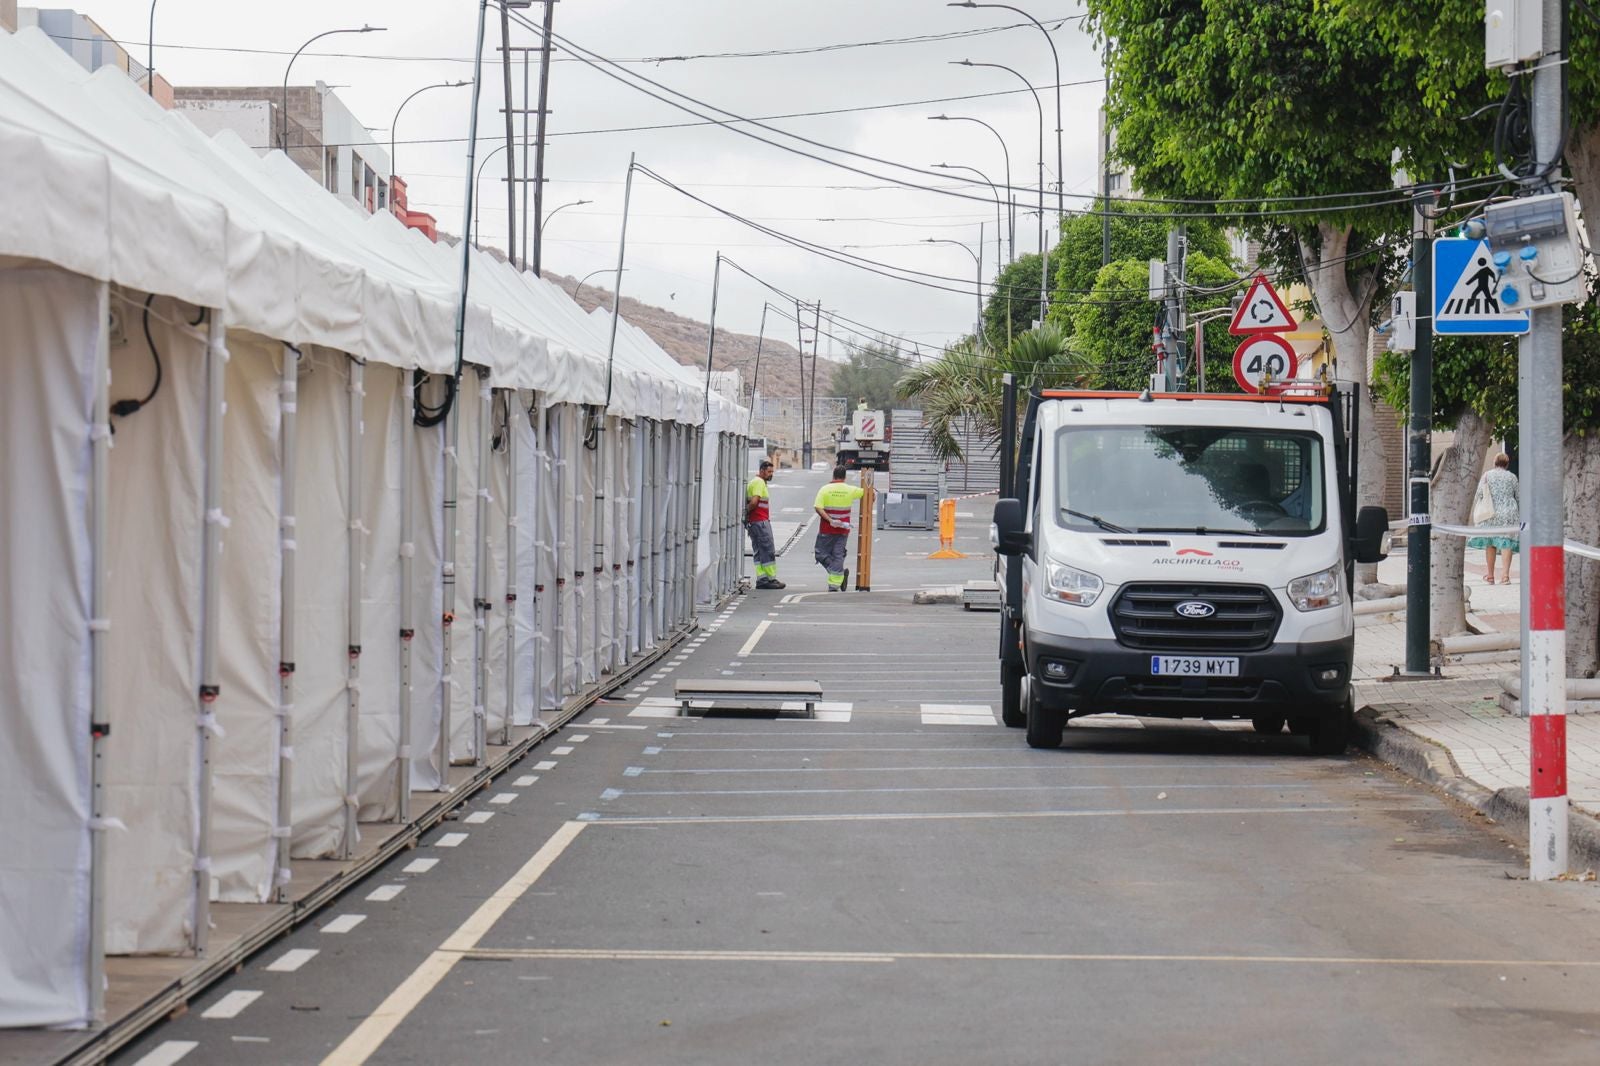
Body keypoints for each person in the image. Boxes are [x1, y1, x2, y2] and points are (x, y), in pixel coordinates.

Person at [1468, 453, 1519, 584]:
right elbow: (1518, 496)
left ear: (1494, 462)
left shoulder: (1487, 475)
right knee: (1506, 542)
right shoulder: (1512, 477)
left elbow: (1479, 494)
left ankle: (1490, 576)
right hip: (1508, 513)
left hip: (1490, 513)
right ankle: (1505, 576)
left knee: (1490, 543)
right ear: (1507, 464)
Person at [813, 465, 866, 592]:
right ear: (845, 477)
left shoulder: (825, 489)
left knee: (820, 554)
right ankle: (836, 581)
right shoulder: (850, 490)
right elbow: (868, 493)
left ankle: (837, 579)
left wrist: (830, 520)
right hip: (843, 530)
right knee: (838, 555)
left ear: (833, 475)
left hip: (827, 529)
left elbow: (818, 507)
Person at [746, 459, 784, 589]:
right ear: (761, 471)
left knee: (759, 551)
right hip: (760, 522)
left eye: (772, 471)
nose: (771, 474)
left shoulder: (756, 482)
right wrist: (747, 512)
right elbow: (754, 502)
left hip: (754, 522)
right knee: (768, 549)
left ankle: (762, 579)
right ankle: (770, 579)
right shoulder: (759, 482)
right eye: (769, 472)